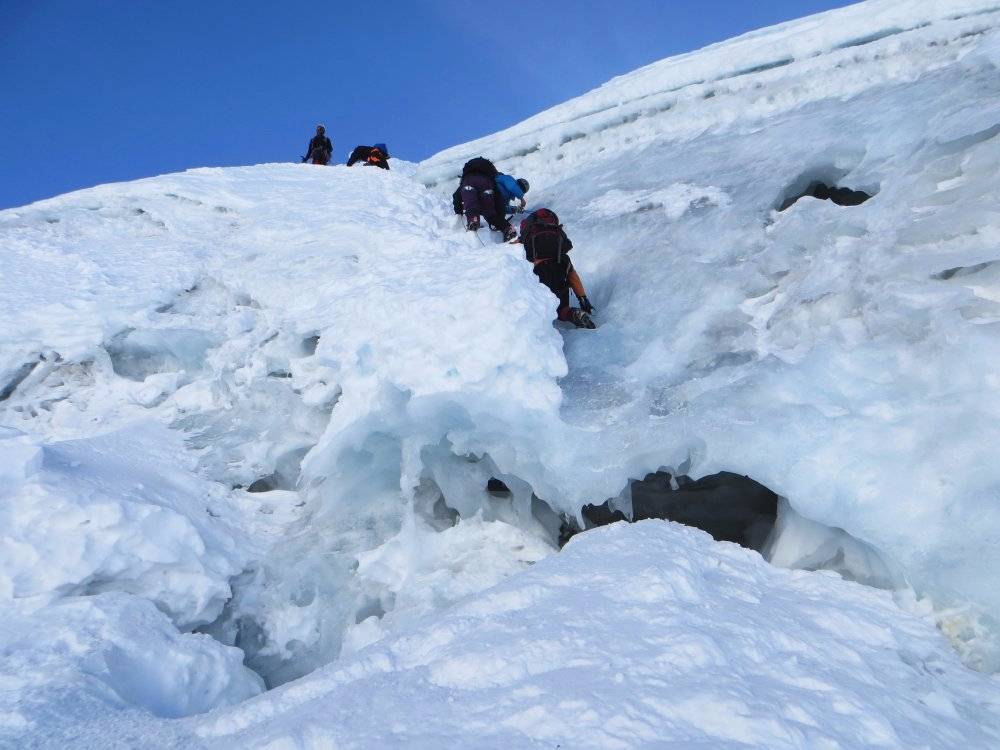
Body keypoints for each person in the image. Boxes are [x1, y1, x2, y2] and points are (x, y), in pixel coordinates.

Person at [518, 208, 596, 329]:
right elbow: (572, 273)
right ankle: (573, 314)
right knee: (562, 309)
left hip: (537, 273)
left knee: (535, 305)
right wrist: (582, 298)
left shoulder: (528, 228)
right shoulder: (556, 231)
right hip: (559, 268)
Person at [452, 157, 516, 240]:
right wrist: (500, 217)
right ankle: (508, 229)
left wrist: (458, 212)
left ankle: (473, 219)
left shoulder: (466, 179)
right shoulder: (491, 178)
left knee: (471, 203)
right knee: (489, 212)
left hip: (469, 183)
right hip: (487, 184)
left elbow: (456, 196)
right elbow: (498, 199)